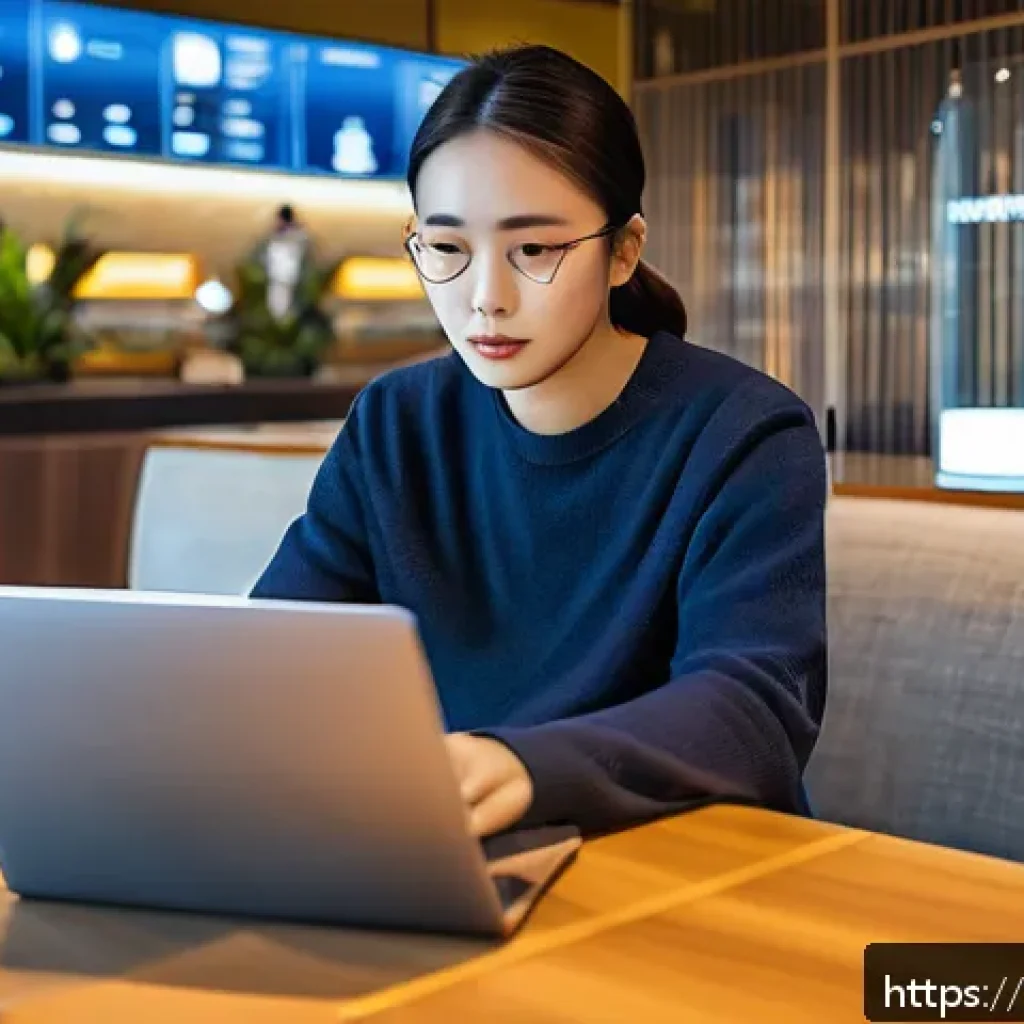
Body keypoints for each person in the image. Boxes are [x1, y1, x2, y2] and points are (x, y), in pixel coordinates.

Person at [251, 44, 828, 841]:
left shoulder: (745, 433)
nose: (486, 299)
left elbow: (754, 710)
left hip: (685, 866)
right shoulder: (396, 424)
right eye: (448, 250)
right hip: (451, 856)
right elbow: (276, 658)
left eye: (535, 251)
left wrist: (522, 767)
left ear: (623, 250)